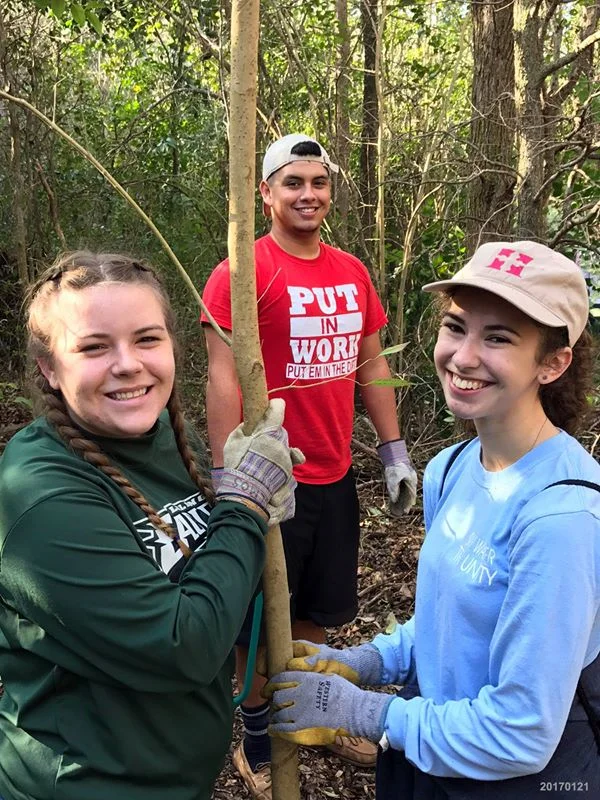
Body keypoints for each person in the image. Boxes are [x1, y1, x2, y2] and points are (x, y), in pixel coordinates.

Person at [267, 240, 600, 799]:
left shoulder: (561, 518)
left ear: (552, 362)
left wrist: (369, 714)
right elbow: (452, 623)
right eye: (456, 327)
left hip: (513, 781)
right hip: (430, 757)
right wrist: (368, 662)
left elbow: (520, 734)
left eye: (498, 337)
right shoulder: (451, 468)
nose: (464, 357)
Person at [0, 252, 302, 800]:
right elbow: (185, 644)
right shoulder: (38, 496)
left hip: (176, 778)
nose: (128, 364)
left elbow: (212, 575)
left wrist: (251, 508)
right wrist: (245, 506)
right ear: (49, 367)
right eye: (94, 347)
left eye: (146, 339)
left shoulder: (160, 436)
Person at [201, 133, 417, 795]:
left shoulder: (350, 271)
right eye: (293, 182)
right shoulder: (242, 271)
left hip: (332, 471)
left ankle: (304, 712)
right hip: (269, 476)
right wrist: (226, 475)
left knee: (318, 607)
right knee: (255, 613)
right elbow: (218, 377)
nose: (308, 194)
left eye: (318, 183)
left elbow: (371, 363)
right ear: (265, 193)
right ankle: (259, 733)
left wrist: (392, 449)